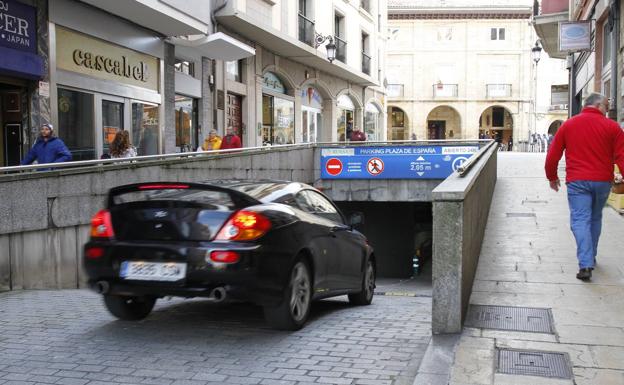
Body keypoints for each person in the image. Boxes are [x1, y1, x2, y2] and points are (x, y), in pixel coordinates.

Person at [545, 92, 624, 281]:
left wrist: (552, 177)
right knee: (595, 218)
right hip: (603, 181)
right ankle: (591, 256)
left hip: (577, 181)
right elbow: (622, 156)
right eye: (606, 106)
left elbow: (553, 154)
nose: (607, 110)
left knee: (580, 220)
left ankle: (585, 263)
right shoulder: (613, 127)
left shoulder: (569, 125)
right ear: (596, 105)